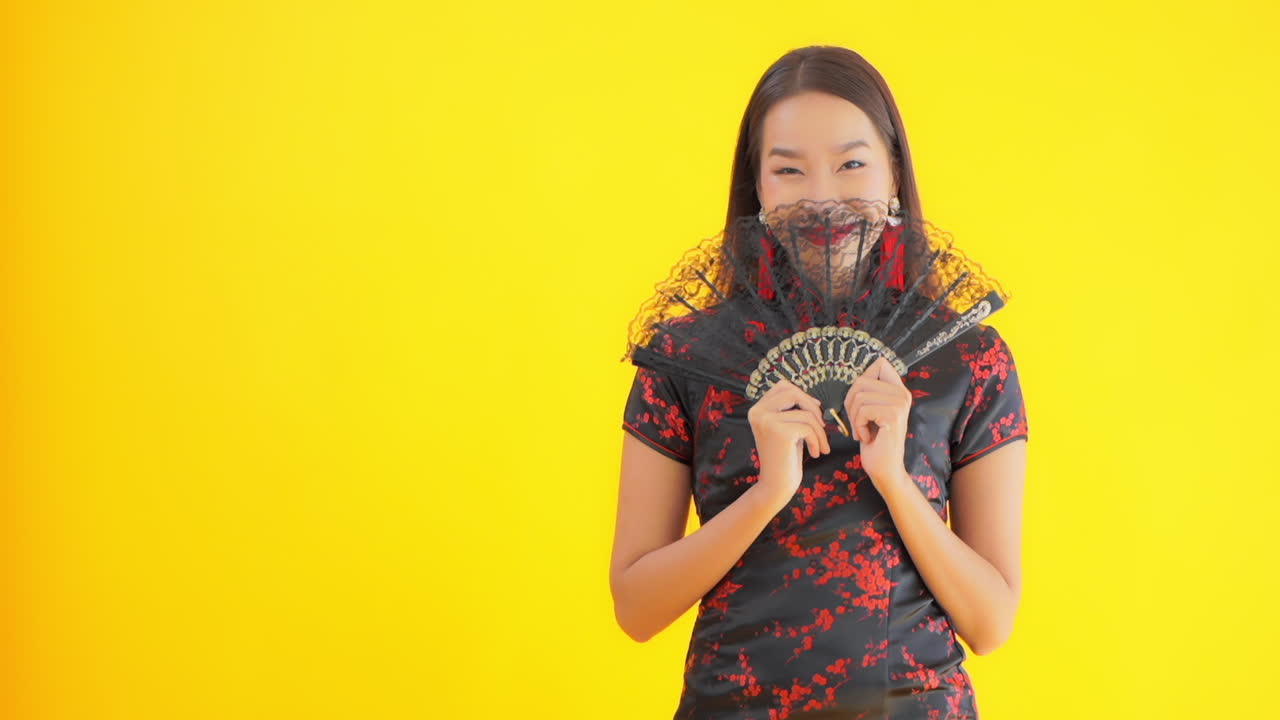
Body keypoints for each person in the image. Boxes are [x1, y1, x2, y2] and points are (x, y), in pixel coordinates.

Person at [610, 45, 1030, 719]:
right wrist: (767, 493)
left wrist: (892, 477)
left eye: (852, 164)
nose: (823, 197)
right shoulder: (689, 357)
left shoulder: (968, 358)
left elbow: (990, 623)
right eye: (789, 170)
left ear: (895, 176)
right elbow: (636, 606)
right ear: (758, 187)